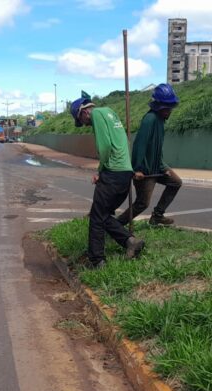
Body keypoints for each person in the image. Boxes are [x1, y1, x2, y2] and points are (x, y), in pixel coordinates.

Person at [71, 94, 145, 269]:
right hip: (125, 173)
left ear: (83, 112)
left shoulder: (96, 115)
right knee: (103, 215)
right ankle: (130, 242)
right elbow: (123, 142)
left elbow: (104, 146)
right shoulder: (110, 112)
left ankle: (97, 261)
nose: (85, 125)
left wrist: (100, 170)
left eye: (81, 120)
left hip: (112, 173)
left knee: (96, 218)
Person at [117, 84, 182, 226]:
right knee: (142, 203)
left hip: (156, 167)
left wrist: (162, 166)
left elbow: (157, 147)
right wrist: (137, 168)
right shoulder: (150, 119)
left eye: (170, 106)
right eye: (166, 107)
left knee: (176, 182)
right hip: (145, 170)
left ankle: (157, 215)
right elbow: (139, 145)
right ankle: (116, 225)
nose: (169, 110)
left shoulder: (160, 120)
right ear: (158, 105)